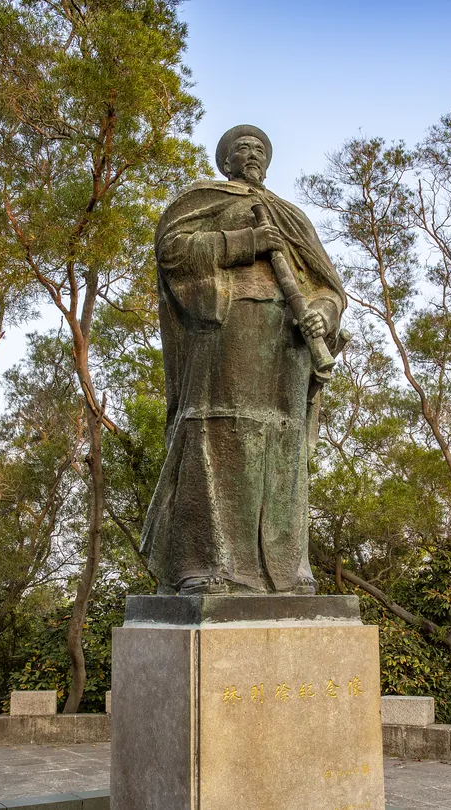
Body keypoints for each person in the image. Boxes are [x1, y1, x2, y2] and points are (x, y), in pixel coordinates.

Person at [141, 124, 347, 595]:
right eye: (241, 149)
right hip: (228, 327)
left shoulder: (290, 217)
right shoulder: (204, 199)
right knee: (217, 431)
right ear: (226, 161)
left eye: (258, 149)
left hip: (289, 340)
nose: (250, 155)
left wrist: (322, 312)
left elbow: (331, 287)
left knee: (283, 447)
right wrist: (246, 243)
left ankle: (287, 572)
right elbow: (173, 251)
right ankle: (206, 564)